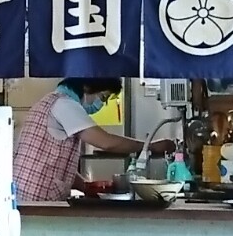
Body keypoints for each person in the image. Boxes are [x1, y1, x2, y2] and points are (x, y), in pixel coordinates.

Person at [12, 79, 144, 203]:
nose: (102, 105)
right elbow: (106, 143)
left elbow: (56, 164)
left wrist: (87, 186)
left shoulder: (49, 101)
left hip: (24, 195)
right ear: (87, 87)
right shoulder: (65, 105)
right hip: (37, 197)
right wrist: (148, 146)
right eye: (103, 97)